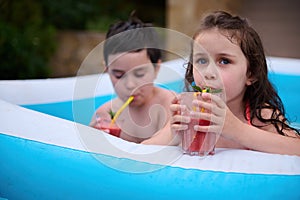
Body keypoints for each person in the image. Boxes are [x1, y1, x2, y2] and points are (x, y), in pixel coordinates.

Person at [142, 11, 300, 156]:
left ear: (250, 74)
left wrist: (237, 130)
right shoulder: (189, 113)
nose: (209, 73)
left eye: (224, 61)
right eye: (202, 60)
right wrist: (172, 134)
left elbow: (296, 148)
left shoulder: (260, 116)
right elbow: (141, 151)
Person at [89, 14, 175, 143]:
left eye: (139, 74)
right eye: (118, 75)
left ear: (156, 68)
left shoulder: (171, 106)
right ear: (107, 69)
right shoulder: (105, 114)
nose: (130, 84)